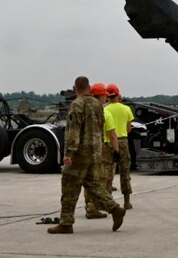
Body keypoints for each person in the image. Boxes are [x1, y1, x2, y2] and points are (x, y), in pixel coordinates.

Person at [48, 76, 125, 234]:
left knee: (69, 185)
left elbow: (73, 130)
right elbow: (100, 126)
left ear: (75, 88)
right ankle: (115, 209)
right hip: (95, 152)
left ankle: (66, 222)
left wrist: (69, 153)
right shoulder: (98, 105)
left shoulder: (77, 104)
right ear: (89, 88)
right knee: (92, 184)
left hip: (80, 153)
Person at [83, 83, 118, 220]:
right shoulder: (105, 113)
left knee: (89, 177)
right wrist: (116, 151)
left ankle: (89, 205)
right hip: (102, 148)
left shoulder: (85, 110)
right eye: (105, 96)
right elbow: (112, 135)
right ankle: (94, 207)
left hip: (87, 148)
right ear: (102, 96)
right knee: (102, 178)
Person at [104, 83, 135, 210]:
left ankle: (109, 202)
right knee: (125, 171)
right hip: (122, 141)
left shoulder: (105, 110)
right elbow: (128, 129)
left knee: (108, 172)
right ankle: (127, 201)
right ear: (118, 94)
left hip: (108, 142)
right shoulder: (126, 109)